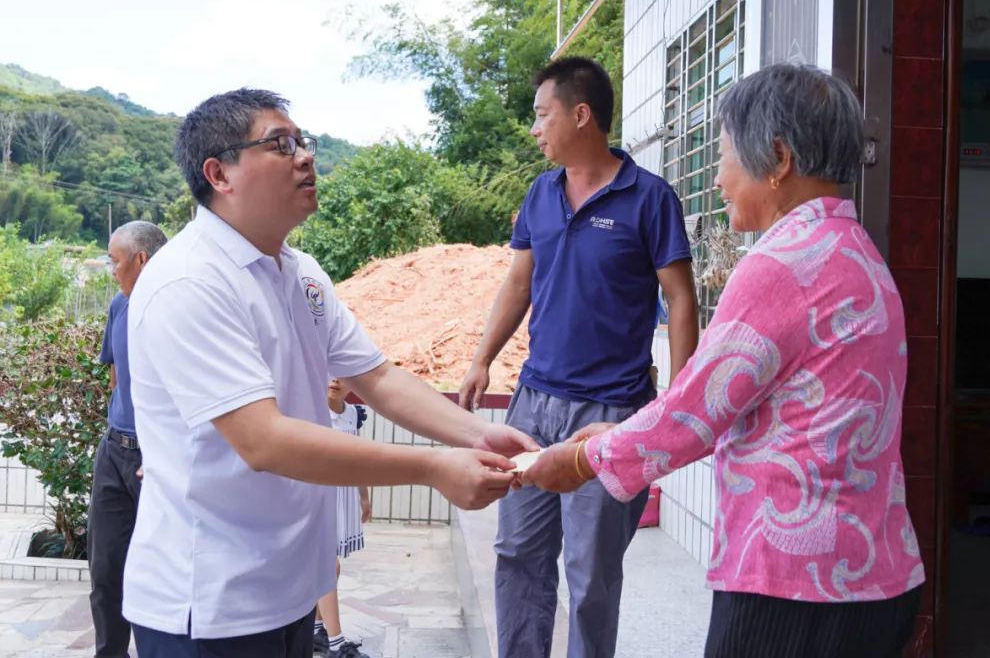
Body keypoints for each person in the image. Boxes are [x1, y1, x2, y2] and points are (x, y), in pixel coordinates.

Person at [524, 63, 925, 658]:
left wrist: (583, 459)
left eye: (724, 157)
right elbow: (760, 410)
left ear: (778, 158)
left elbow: (694, 413)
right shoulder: (860, 255)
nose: (716, 179)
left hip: (794, 584)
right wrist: (617, 436)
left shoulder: (781, 266)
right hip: (877, 575)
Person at [122, 88, 538, 658]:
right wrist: (432, 467)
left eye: (304, 142)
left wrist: (479, 435)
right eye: (280, 145)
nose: (305, 157)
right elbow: (263, 440)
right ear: (219, 174)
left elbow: (378, 379)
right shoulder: (189, 280)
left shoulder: (301, 273)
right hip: (211, 602)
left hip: (291, 585)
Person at [458, 57, 699, 658]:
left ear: (581, 114)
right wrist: (482, 358)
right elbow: (518, 284)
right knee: (518, 554)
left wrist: (681, 400)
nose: (535, 128)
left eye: (543, 115)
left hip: (611, 413)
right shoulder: (540, 194)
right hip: (534, 405)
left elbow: (680, 297)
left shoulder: (649, 198)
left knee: (591, 575)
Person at [89, 220, 167, 658]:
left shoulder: (181, 309)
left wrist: (163, 450)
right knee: (105, 572)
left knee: (160, 577)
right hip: (114, 452)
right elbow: (117, 375)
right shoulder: (120, 305)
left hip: (158, 461)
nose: (111, 269)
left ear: (140, 259)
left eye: (114, 261)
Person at [314, 378, 372, 658]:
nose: (334, 380)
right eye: (329, 372)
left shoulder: (352, 415)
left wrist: (364, 496)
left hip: (342, 496)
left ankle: (315, 630)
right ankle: (336, 644)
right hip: (318, 496)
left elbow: (357, 459)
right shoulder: (313, 412)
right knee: (327, 565)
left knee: (328, 564)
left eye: (341, 373)